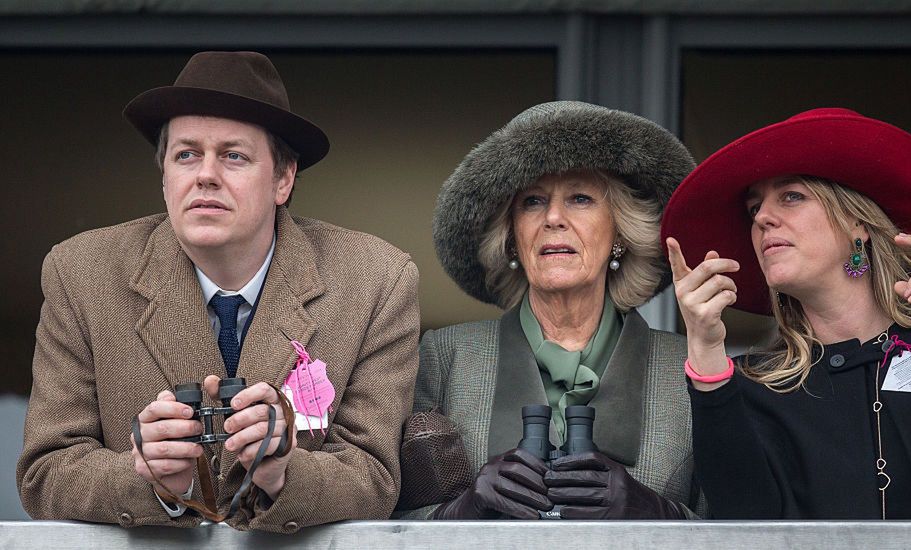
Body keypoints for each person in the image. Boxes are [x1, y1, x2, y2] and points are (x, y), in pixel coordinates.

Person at [17, 51, 419, 532]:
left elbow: (374, 477)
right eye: (186, 154)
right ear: (164, 174)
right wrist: (147, 476)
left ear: (283, 178)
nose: (205, 174)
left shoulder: (375, 279)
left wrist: (282, 472)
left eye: (234, 155)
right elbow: (44, 473)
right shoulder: (81, 274)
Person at [660, 107, 911, 519]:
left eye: (791, 196)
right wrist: (706, 356)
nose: (762, 217)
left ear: (857, 223)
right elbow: (743, 526)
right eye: (753, 210)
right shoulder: (755, 384)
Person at [399, 101, 704, 520]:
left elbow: (739, 524)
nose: (554, 218)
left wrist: (655, 512)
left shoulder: (688, 366)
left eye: (580, 198)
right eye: (533, 202)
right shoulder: (445, 356)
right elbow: (390, 519)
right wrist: (462, 511)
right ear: (511, 236)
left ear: (620, 232)